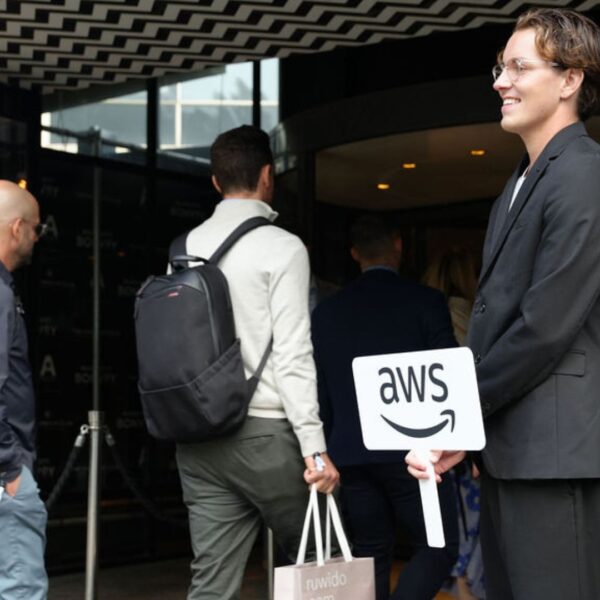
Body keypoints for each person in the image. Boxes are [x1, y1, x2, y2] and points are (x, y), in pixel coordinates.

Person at [407, 8, 600, 600]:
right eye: (500, 66)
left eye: (519, 66)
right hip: (512, 450)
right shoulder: (519, 182)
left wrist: (459, 416)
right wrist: (463, 427)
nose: (500, 81)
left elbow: (544, 326)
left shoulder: (585, 174)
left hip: (554, 456)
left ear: (570, 79)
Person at [174, 125, 339, 600]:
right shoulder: (283, 247)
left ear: (214, 181)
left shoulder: (181, 251)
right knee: (323, 565)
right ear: (268, 175)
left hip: (199, 440)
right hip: (266, 435)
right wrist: (314, 447)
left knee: (211, 584)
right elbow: (291, 352)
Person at [311, 215, 459, 600]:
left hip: (351, 454)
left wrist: (324, 448)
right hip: (416, 450)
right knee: (438, 547)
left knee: (370, 553)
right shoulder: (426, 301)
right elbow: (449, 374)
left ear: (354, 253)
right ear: (399, 245)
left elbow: (320, 391)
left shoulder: (326, 313)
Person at [423, 249, 484, 600]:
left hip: (432, 439)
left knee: (451, 528)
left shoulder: (428, 312)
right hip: (463, 436)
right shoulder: (466, 313)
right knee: (472, 529)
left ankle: (460, 586)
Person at [0, 180, 48, 599]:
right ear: (16, 229)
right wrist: (10, 469)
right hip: (4, 477)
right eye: (35, 228)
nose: (37, 237)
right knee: (21, 589)